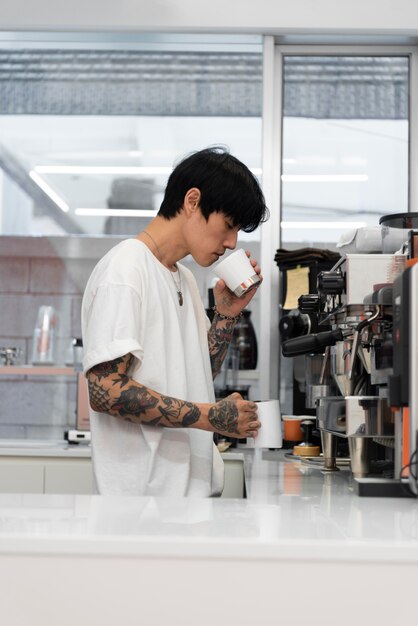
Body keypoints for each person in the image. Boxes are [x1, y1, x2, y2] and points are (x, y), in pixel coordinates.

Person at [81, 146, 269, 496]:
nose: (231, 243)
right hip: (144, 504)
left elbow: (196, 374)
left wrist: (226, 315)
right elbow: (104, 390)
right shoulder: (126, 269)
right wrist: (211, 417)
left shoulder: (182, 277)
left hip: (187, 499)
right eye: (228, 226)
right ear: (193, 200)